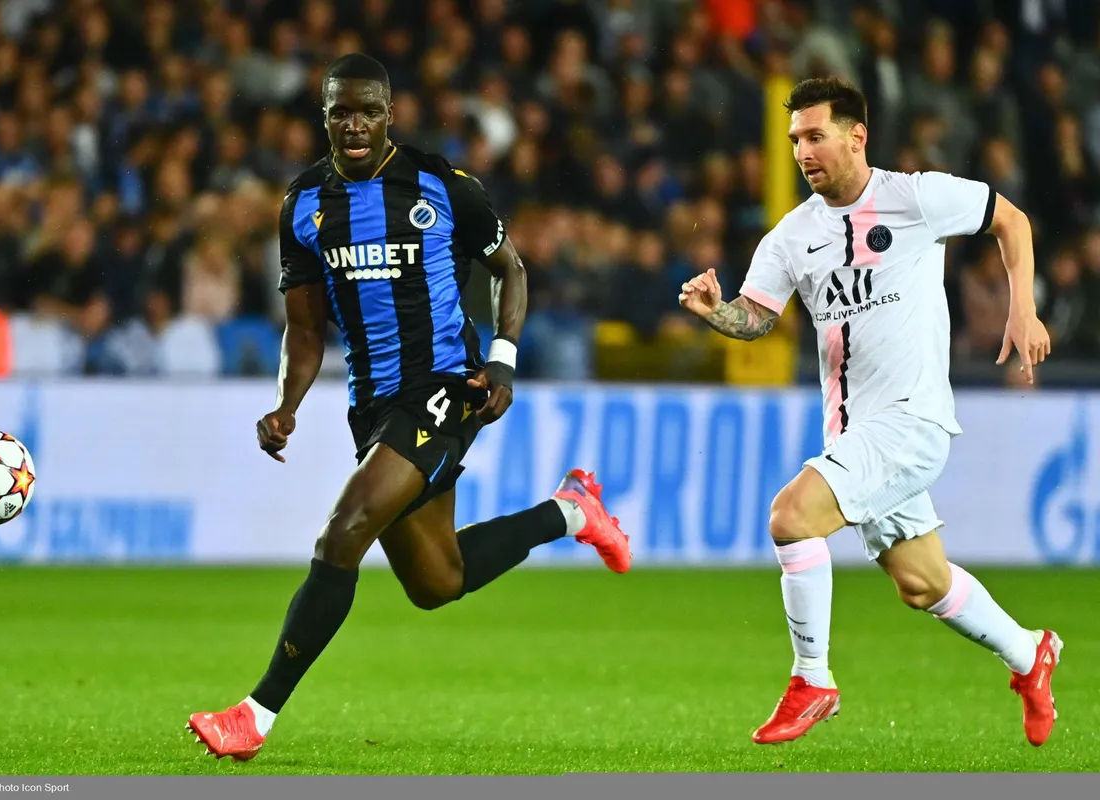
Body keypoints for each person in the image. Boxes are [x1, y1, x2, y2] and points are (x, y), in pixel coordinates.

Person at [186, 54, 631, 761]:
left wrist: (502, 361)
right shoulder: (303, 204)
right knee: (436, 581)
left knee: (344, 531)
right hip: (373, 406)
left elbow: (509, 269)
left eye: (367, 110)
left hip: (446, 386)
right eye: (340, 111)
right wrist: (286, 405)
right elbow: (304, 331)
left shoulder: (442, 185)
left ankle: (255, 714)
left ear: (389, 113)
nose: (354, 124)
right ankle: (573, 511)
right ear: (324, 116)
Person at [678, 77, 1061, 747]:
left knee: (791, 516)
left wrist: (1021, 308)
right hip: (853, 431)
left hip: (912, 421)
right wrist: (718, 314)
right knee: (924, 584)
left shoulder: (914, 198)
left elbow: (1013, 220)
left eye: (815, 136)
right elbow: (755, 320)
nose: (803, 151)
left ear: (856, 137)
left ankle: (813, 680)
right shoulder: (791, 237)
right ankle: (1032, 654)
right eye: (795, 139)